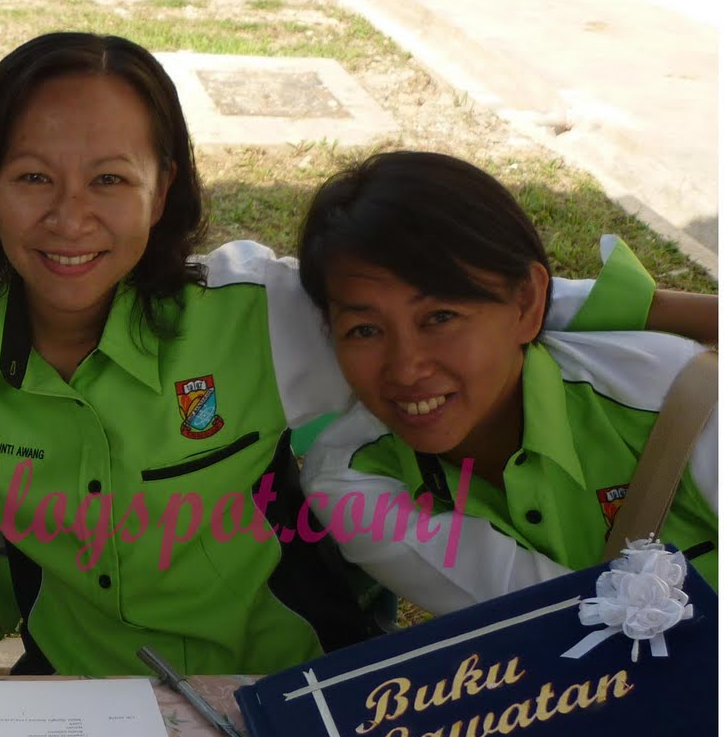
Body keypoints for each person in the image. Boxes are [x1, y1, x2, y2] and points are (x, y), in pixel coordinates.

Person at [0, 32, 688, 678]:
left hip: (282, 690)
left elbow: (442, 301)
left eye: (110, 178)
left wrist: (685, 312)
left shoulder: (258, 316)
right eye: (33, 177)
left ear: (162, 187)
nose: (69, 217)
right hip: (81, 696)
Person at [296, 151, 716, 615]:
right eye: (365, 330)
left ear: (527, 305)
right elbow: (563, 623)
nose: (406, 369)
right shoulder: (355, 478)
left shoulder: (678, 400)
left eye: (441, 316)